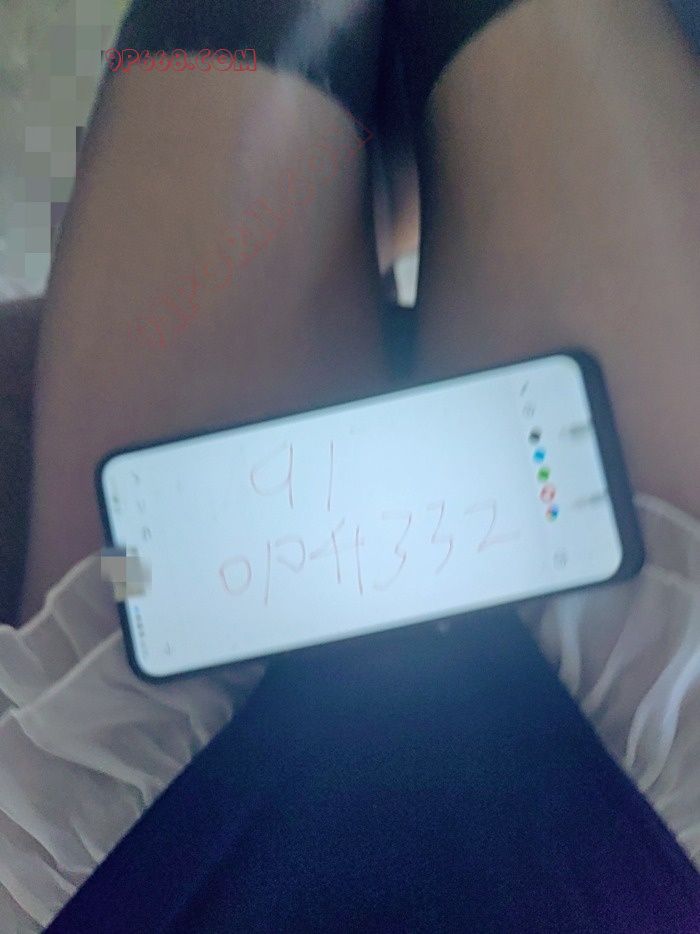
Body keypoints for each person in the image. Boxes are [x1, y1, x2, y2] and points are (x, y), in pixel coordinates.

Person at [0, 0, 699, 929]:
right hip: (635, 840)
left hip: (154, 845)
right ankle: (391, 200)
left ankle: (384, 205)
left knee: (248, 20)